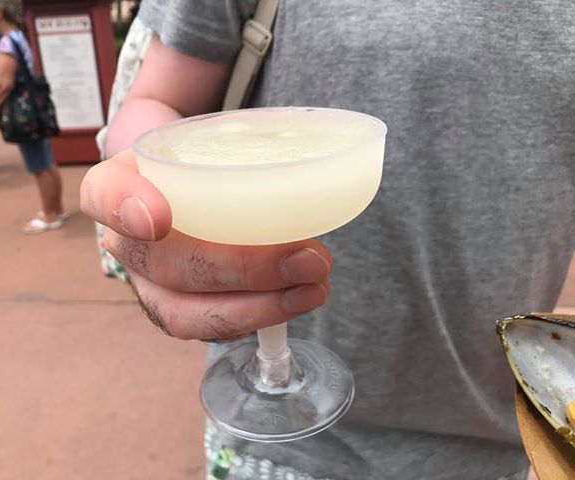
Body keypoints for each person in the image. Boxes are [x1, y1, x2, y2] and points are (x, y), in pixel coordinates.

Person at [80, 2, 575, 479]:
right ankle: (275, 370)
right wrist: (139, 193)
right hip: (277, 457)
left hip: (508, 444)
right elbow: (160, 100)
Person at [0, 0, 67, 233]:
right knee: (47, 161)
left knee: (38, 165)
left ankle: (50, 214)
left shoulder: (6, 43)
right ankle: (56, 208)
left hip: (22, 112)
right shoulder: (19, 36)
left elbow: (4, 84)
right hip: (34, 107)